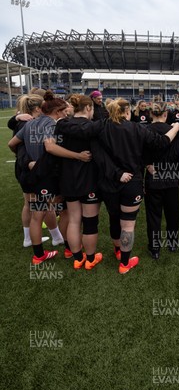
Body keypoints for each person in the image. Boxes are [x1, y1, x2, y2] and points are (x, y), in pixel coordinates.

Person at [93, 98, 179, 273]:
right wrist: (176, 127)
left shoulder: (100, 127)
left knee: (114, 216)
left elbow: (97, 154)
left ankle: (119, 251)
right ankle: (124, 262)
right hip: (131, 182)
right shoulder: (136, 128)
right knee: (127, 224)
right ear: (128, 112)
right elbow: (161, 142)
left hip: (109, 181)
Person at [8, 92, 91, 265]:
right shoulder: (51, 124)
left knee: (38, 215)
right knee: (63, 212)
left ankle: (40, 254)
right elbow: (51, 147)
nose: (66, 112)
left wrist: (28, 161)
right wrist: (78, 156)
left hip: (35, 176)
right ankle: (69, 250)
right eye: (64, 110)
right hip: (49, 177)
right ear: (58, 111)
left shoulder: (30, 123)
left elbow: (12, 144)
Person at [52, 94, 103, 270]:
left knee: (74, 219)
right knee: (90, 221)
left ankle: (77, 257)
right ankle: (89, 259)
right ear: (88, 108)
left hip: (67, 179)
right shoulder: (94, 127)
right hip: (89, 179)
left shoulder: (62, 124)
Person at [143, 101, 179, 259]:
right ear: (165, 114)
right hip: (171, 178)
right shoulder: (174, 131)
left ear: (150, 114)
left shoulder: (144, 130)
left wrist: (147, 163)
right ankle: (173, 243)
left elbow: (139, 154)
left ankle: (155, 248)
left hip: (154, 178)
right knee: (172, 213)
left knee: (153, 215)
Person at [7, 93, 50, 248]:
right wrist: (27, 162)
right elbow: (18, 146)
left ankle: (29, 238)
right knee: (34, 204)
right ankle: (30, 238)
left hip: (24, 166)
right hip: (28, 167)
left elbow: (14, 145)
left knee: (30, 203)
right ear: (37, 108)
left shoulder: (24, 121)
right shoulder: (28, 123)